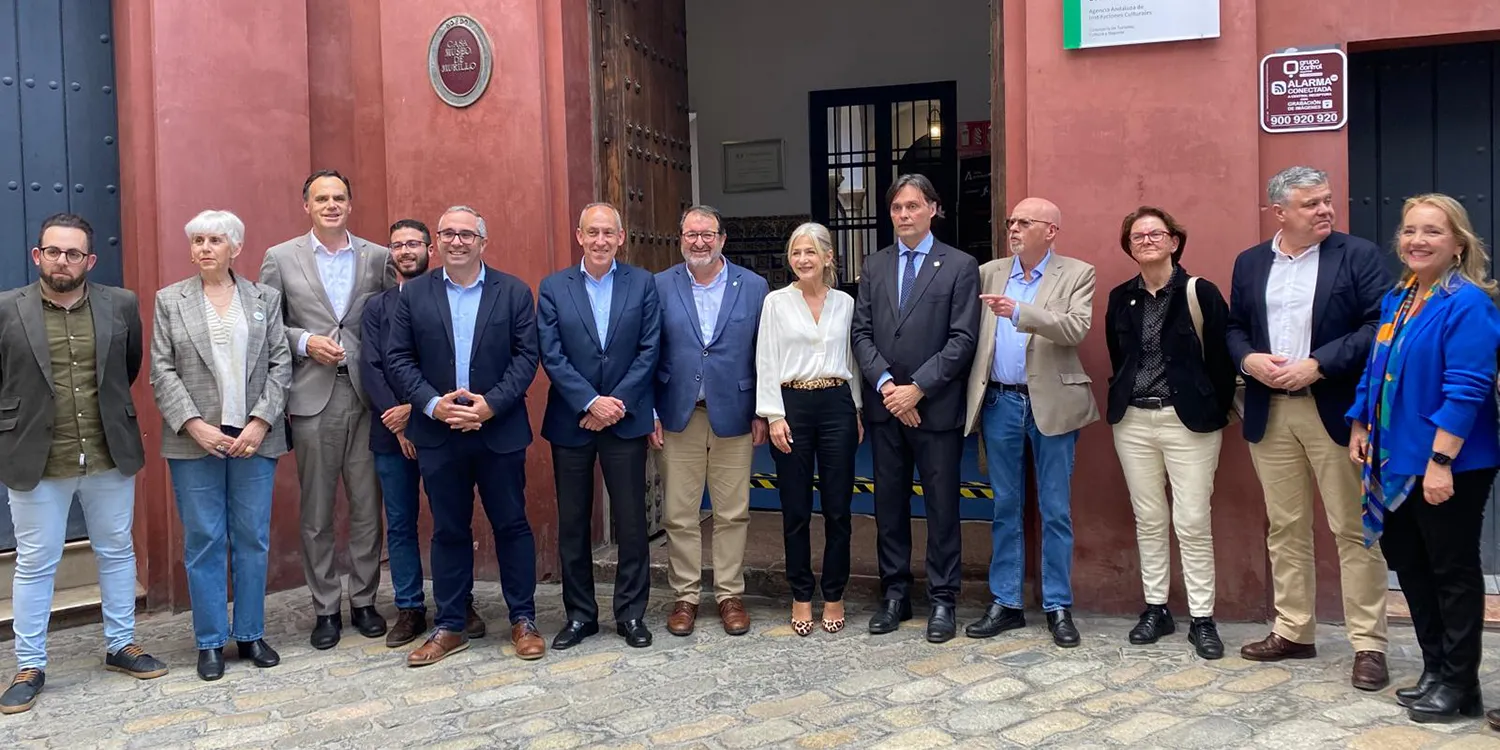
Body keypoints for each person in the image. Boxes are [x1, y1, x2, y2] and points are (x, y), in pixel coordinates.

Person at [1226, 165, 1392, 690]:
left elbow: (1379, 325)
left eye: (1326, 200)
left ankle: (1369, 643)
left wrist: (1319, 363)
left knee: (1353, 529)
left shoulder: (1358, 255)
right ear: (1280, 212)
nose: (1325, 210)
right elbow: (1234, 326)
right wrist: (1248, 358)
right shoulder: (1251, 262)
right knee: (1285, 526)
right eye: (1311, 204)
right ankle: (1294, 630)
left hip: (1334, 409)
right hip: (1270, 410)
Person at [0, 213, 166, 714]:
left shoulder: (121, 304)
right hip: (36, 457)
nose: (62, 261)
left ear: (89, 260)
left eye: (73, 254)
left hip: (106, 451)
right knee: (36, 562)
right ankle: (30, 664)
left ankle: (121, 644)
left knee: (116, 550)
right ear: (38, 255)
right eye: (53, 251)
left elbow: (129, 366)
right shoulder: (7, 309)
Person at [1346, 195, 1500, 723]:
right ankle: (1438, 671)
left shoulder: (1468, 303)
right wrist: (1360, 421)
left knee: (1451, 571)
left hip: (1449, 461)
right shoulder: (1401, 296)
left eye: (1432, 231)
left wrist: (1441, 461)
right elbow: (1377, 366)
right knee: (1411, 566)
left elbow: (1468, 388)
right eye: (1410, 230)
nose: (1417, 240)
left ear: (1458, 243)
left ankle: (1458, 683)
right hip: (1395, 457)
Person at [386, 205, 545, 666]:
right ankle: (450, 624)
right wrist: (433, 405)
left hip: (499, 430)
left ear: (482, 242)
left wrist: (490, 405)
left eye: (467, 234)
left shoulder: (512, 291)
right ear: (436, 242)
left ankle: (523, 619)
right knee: (448, 529)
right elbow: (398, 358)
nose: (457, 241)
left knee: (511, 525)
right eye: (448, 234)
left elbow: (526, 356)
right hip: (438, 433)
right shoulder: (414, 294)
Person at [149, 210, 292, 680]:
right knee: (205, 539)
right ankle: (210, 641)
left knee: (252, 537)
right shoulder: (170, 300)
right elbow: (161, 370)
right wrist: (194, 425)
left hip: (254, 438)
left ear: (235, 247)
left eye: (215, 240)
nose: (205, 248)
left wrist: (260, 422)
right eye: (198, 241)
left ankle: (250, 633)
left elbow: (280, 364)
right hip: (196, 442)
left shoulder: (264, 298)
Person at [259, 169, 394, 649]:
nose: (331, 205)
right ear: (307, 206)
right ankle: (325, 608)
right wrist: (304, 341)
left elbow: (391, 319)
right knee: (317, 509)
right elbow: (266, 324)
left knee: (367, 505)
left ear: (350, 205)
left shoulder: (377, 256)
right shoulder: (280, 257)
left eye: (339, 198)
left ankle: (364, 600)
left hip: (366, 396)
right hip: (313, 395)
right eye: (322, 199)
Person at [960, 197, 1096, 648]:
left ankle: (1057, 605)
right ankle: (1007, 602)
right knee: (1005, 506)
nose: (1013, 229)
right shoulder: (990, 272)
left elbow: (1075, 329)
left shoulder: (1077, 273)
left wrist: (1018, 312)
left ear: (1050, 231)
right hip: (1000, 401)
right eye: (1011, 222)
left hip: (1052, 403)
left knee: (1055, 509)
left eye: (1024, 222)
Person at [1102, 206, 1236, 659]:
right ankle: (1156, 609)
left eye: (1155, 234)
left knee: (1193, 520)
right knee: (1149, 518)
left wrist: (1209, 406)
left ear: (1174, 241)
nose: (1146, 241)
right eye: (1137, 236)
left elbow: (1222, 358)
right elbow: (1118, 356)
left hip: (1188, 422)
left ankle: (1202, 618)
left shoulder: (1200, 292)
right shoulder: (1121, 297)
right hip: (1134, 421)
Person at [852, 174, 979, 643]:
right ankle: (894, 594)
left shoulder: (960, 265)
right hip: (886, 408)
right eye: (897, 207)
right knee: (888, 504)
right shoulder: (875, 264)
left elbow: (963, 338)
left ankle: (943, 598)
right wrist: (889, 386)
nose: (903, 214)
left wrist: (918, 389)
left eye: (912, 206)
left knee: (942, 507)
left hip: (935, 409)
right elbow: (861, 333)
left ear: (933, 208)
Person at [538, 203, 661, 650]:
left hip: (625, 420)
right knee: (573, 523)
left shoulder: (642, 283)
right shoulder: (554, 287)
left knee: (631, 522)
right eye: (592, 232)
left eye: (609, 232)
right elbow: (551, 353)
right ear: (579, 236)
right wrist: (590, 402)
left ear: (621, 237)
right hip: (572, 421)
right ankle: (580, 616)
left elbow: (650, 348)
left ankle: (631, 613)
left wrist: (615, 404)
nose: (600, 240)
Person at [359, 218, 485, 647]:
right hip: (390, 431)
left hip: (437, 423)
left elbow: (448, 365)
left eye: (414, 243)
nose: (405, 251)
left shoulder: (445, 297)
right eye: (397, 245)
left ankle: (459, 601)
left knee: (451, 518)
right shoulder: (376, 307)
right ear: (389, 253)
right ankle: (409, 606)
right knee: (399, 522)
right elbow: (373, 366)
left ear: (430, 249)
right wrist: (397, 420)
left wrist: (417, 410)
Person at [654, 205, 769, 637]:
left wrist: (761, 410)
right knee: (679, 512)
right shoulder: (660, 285)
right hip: (677, 414)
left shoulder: (753, 286)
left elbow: (764, 352)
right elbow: (648, 351)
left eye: (708, 234)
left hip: (734, 413)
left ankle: (729, 595)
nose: (699, 242)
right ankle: (685, 596)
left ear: (722, 239)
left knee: (732, 512)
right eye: (691, 234)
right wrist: (650, 411)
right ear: (680, 238)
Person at [756, 222, 861, 636]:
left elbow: (851, 360)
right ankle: (800, 593)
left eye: (811, 252)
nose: (803, 259)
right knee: (795, 508)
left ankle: (834, 593)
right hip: (792, 406)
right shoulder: (776, 303)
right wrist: (773, 415)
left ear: (828, 257)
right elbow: (766, 359)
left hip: (837, 404)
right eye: (797, 252)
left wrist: (856, 409)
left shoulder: (845, 303)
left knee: (838, 508)